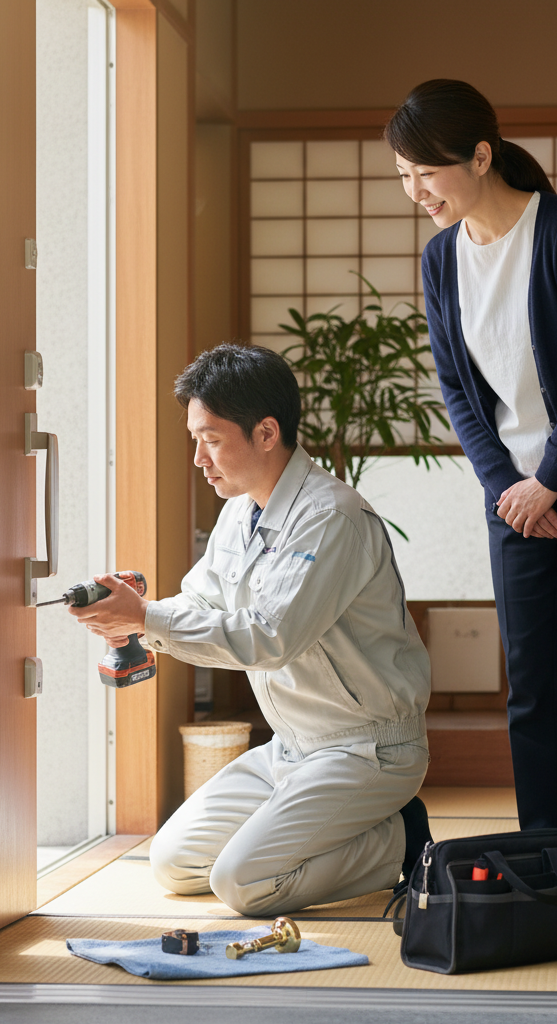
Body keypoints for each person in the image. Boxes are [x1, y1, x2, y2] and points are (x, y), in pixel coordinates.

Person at [384, 80, 557, 868]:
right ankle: (543, 851)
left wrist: (552, 480)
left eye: (424, 173)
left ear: (479, 154)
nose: (415, 192)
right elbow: (458, 390)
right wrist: (508, 487)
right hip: (512, 496)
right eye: (402, 177)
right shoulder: (441, 260)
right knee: (531, 679)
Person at [71, 343, 432, 915]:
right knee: (173, 863)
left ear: (266, 433)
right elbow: (201, 600)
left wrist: (147, 619)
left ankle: (405, 842)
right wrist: (136, 618)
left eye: (210, 439)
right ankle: (343, 827)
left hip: (366, 750)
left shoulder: (331, 517)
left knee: (242, 883)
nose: (199, 459)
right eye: (195, 439)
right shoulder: (240, 511)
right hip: (288, 749)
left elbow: (269, 638)